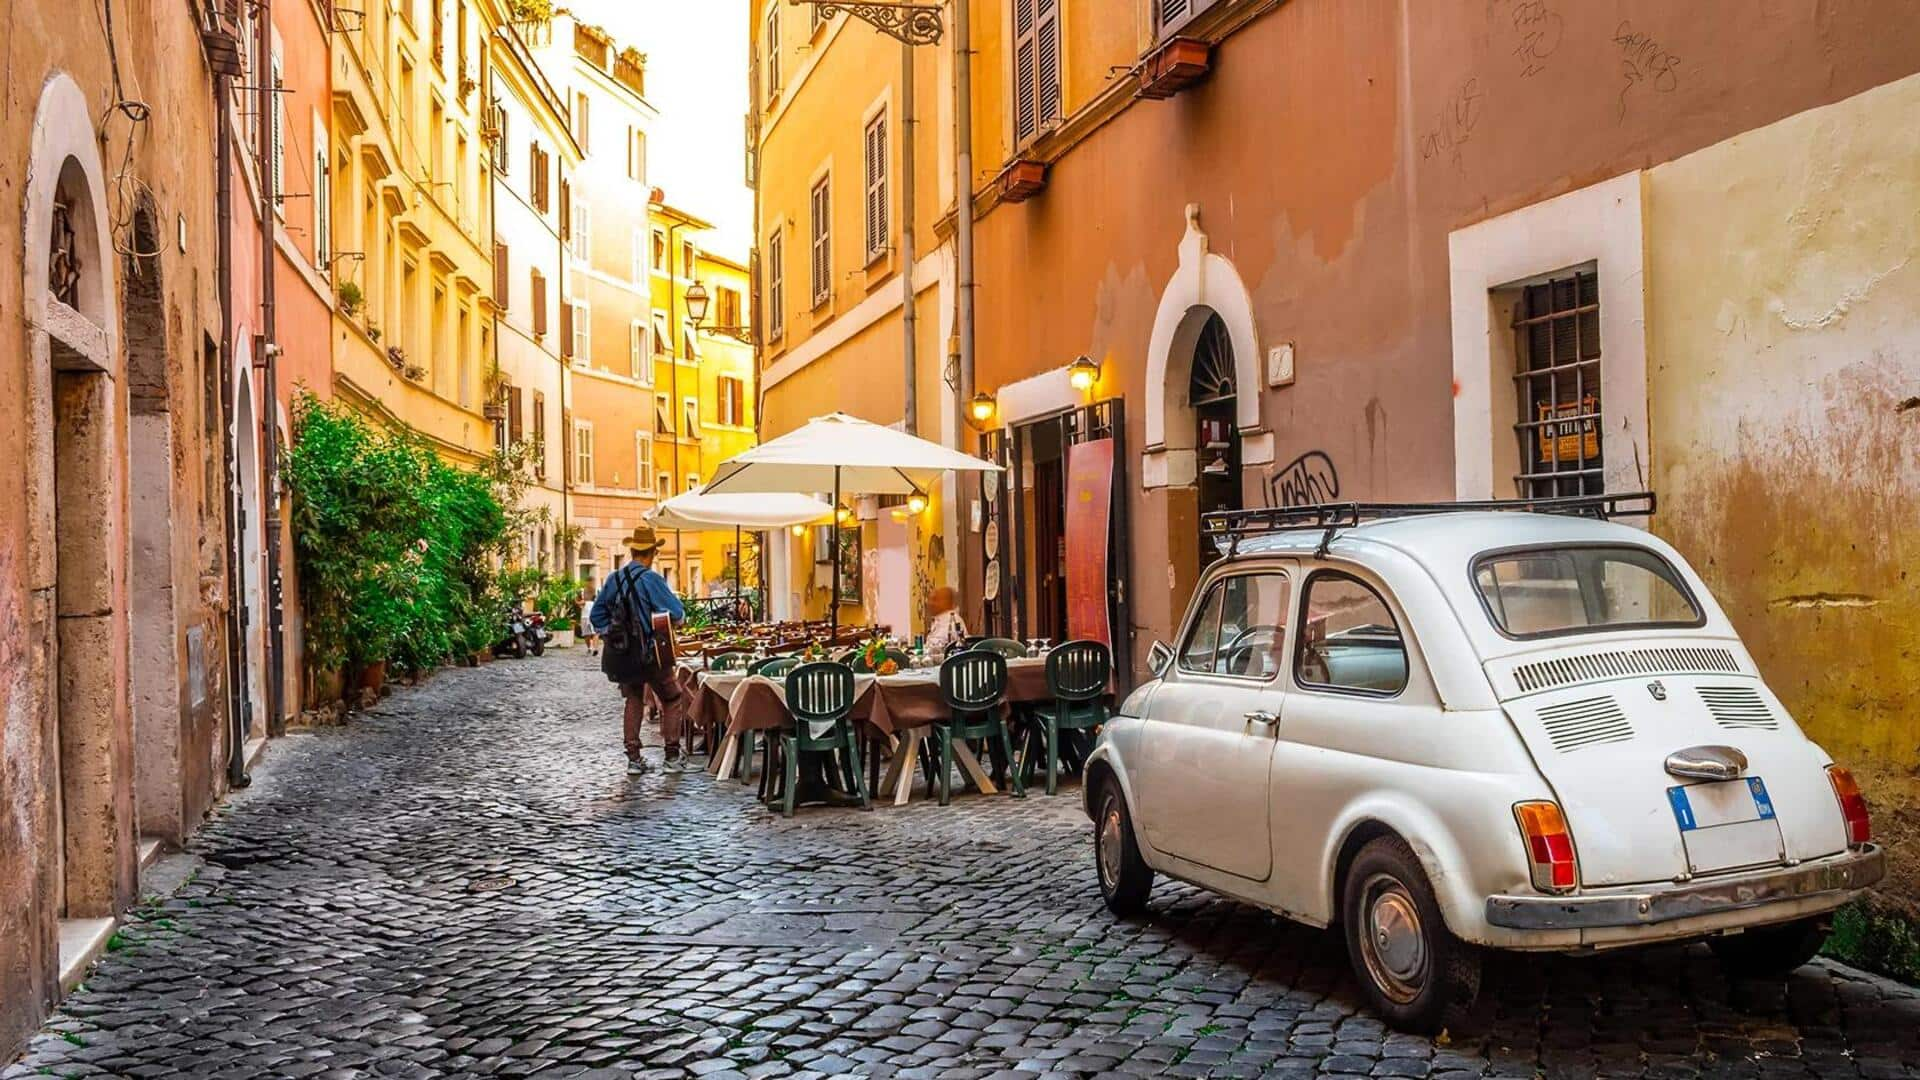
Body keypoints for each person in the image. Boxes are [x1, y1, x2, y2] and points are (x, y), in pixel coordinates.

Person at [591, 525, 689, 774]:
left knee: (633, 699)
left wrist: (611, 635)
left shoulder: (614, 579)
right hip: (653, 652)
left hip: (623, 654)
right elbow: (677, 613)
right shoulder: (652, 579)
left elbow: (596, 615)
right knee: (672, 697)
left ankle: (634, 759)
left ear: (632, 551)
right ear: (652, 553)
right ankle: (671, 756)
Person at [924, 585, 968, 656]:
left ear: (946, 601)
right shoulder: (938, 621)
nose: (929, 603)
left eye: (935, 599)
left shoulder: (953, 621)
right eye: (930, 599)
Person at [577, 589, 599, 656]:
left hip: (585, 618)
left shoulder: (584, 602)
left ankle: (590, 648)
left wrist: (576, 599)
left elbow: (578, 604)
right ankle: (594, 648)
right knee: (595, 634)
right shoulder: (595, 602)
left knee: (587, 635)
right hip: (593, 618)